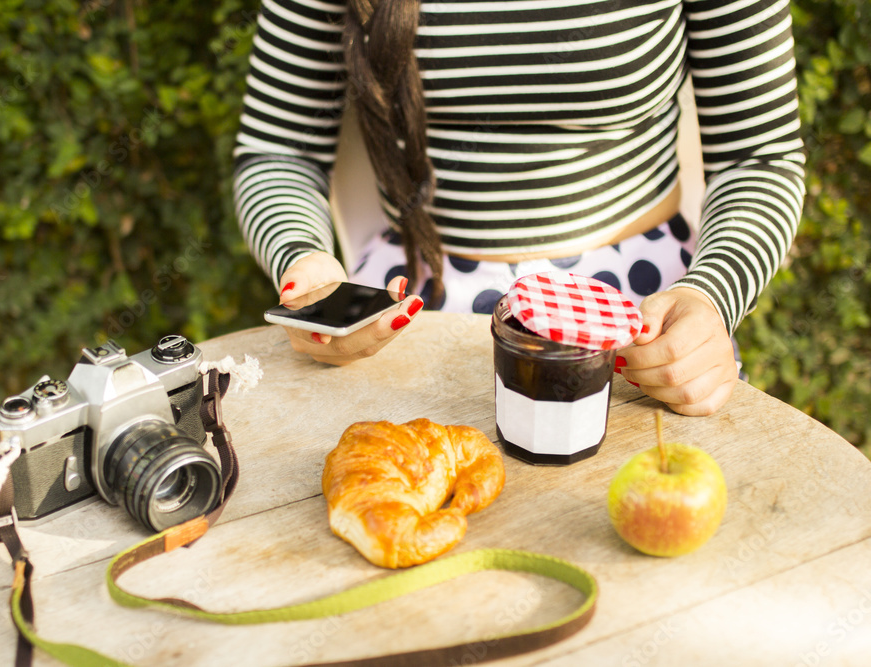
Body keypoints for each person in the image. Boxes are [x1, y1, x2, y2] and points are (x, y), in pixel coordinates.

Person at [232, 0, 805, 416]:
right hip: (410, 315)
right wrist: (306, 265)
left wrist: (711, 296)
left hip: (637, 318)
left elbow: (760, 157)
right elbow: (278, 151)